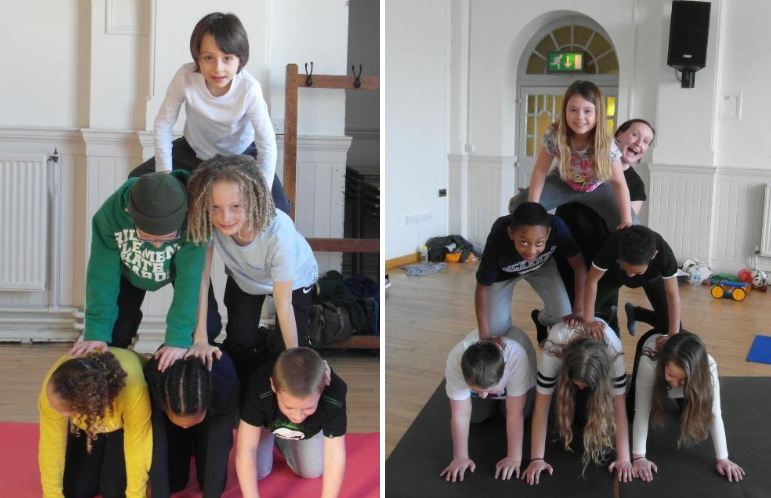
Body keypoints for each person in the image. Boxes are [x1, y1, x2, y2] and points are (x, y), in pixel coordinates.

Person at [129, 12, 290, 215]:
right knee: (136, 180)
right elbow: (163, 123)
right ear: (197, 57)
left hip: (241, 155)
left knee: (279, 207)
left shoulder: (249, 88)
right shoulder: (185, 77)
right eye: (208, 58)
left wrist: (262, 192)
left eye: (227, 59)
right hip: (193, 152)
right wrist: (165, 174)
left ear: (240, 60)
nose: (218, 68)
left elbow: (267, 143)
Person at [187, 154, 318, 384]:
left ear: (253, 199)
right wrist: (200, 338)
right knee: (239, 344)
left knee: (284, 350)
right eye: (215, 207)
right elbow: (202, 277)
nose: (224, 217)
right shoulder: (208, 222)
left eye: (235, 206)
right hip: (245, 278)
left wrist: (295, 361)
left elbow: (283, 303)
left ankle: (268, 343)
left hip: (293, 281)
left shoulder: (279, 230)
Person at [69, 171, 212, 372]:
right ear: (128, 211)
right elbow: (101, 276)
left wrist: (177, 339)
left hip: (181, 270)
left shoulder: (195, 218)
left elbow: (189, 283)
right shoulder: (109, 215)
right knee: (117, 333)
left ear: (186, 211)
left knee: (208, 325)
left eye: (166, 237)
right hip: (128, 271)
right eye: (148, 237)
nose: (157, 246)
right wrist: (96, 332)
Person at [553, 119, 656, 323]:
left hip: (601, 257)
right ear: (618, 135)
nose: (639, 143)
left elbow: (623, 230)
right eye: (635, 135)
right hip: (569, 247)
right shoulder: (585, 163)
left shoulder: (635, 186)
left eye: (645, 141)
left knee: (603, 315)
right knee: (564, 313)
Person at [508, 80, 635, 231]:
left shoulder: (606, 143)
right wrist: (533, 208)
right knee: (521, 207)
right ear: (565, 110)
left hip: (597, 186)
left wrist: (626, 219)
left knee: (632, 226)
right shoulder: (554, 134)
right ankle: (518, 204)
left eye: (587, 111)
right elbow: (540, 171)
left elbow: (619, 182)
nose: (579, 117)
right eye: (573, 110)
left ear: (597, 113)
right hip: (562, 181)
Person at [522, 321, 633, 484]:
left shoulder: (613, 352)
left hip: (598, 366)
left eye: (585, 385)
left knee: (585, 415)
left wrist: (624, 458)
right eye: (578, 383)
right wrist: (536, 459)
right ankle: (573, 387)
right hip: (565, 360)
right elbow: (541, 407)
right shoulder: (554, 350)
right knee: (558, 416)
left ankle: (586, 389)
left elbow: (619, 407)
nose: (581, 387)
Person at [629, 331, 744, 482]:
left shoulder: (708, 366)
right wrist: (639, 457)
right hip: (652, 357)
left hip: (687, 389)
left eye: (682, 380)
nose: (674, 384)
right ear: (664, 365)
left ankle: (682, 386)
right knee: (629, 411)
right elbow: (642, 411)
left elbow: (714, 414)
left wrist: (723, 458)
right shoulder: (649, 363)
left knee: (688, 411)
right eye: (671, 374)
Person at [38, 349, 151, 498]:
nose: (52, 408)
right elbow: (51, 445)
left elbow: (138, 446)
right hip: (89, 423)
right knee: (76, 491)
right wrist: (52, 495)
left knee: (115, 492)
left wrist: (136, 495)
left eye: (64, 410)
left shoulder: (134, 392)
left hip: (122, 426)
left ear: (85, 407)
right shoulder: (54, 389)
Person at [235, 348, 346, 498]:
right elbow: (246, 450)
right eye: (289, 407)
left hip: (307, 430)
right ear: (273, 386)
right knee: (258, 471)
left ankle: (284, 439)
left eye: (308, 408)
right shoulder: (259, 386)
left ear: (322, 390)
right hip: (265, 423)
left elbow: (334, 455)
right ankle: (274, 434)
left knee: (311, 471)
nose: (298, 416)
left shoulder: (334, 394)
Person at [475, 202, 586, 345]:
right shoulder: (498, 237)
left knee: (561, 316)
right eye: (524, 243)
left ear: (548, 233)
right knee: (495, 329)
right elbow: (482, 289)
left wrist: (579, 311)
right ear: (511, 233)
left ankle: (540, 319)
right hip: (503, 276)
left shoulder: (558, 227)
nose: (531, 252)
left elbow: (579, 265)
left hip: (542, 267)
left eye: (539, 243)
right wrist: (484, 336)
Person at [441, 326, 536, 483]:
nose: (484, 396)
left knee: (520, 413)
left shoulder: (516, 357)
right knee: (476, 417)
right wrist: (460, 457)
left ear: (504, 368)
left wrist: (514, 457)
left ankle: (498, 394)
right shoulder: (456, 357)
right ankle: (491, 394)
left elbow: (515, 414)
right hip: (492, 375)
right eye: (477, 391)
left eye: (488, 391)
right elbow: (459, 414)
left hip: (518, 371)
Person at [144, 354, 239, 498]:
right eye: (181, 423)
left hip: (211, 412)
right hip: (171, 414)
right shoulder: (154, 380)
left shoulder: (225, 383)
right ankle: (187, 440)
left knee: (212, 483)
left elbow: (219, 444)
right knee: (175, 483)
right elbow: (157, 445)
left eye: (190, 423)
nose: (185, 427)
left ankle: (198, 438)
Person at [583, 225, 682, 343]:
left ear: (653, 255)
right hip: (615, 275)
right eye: (626, 269)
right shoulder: (613, 243)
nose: (630, 275)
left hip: (652, 279)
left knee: (674, 331)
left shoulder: (663, 252)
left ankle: (636, 313)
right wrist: (588, 320)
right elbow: (592, 280)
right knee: (581, 316)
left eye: (636, 271)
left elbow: (672, 295)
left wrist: (672, 336)